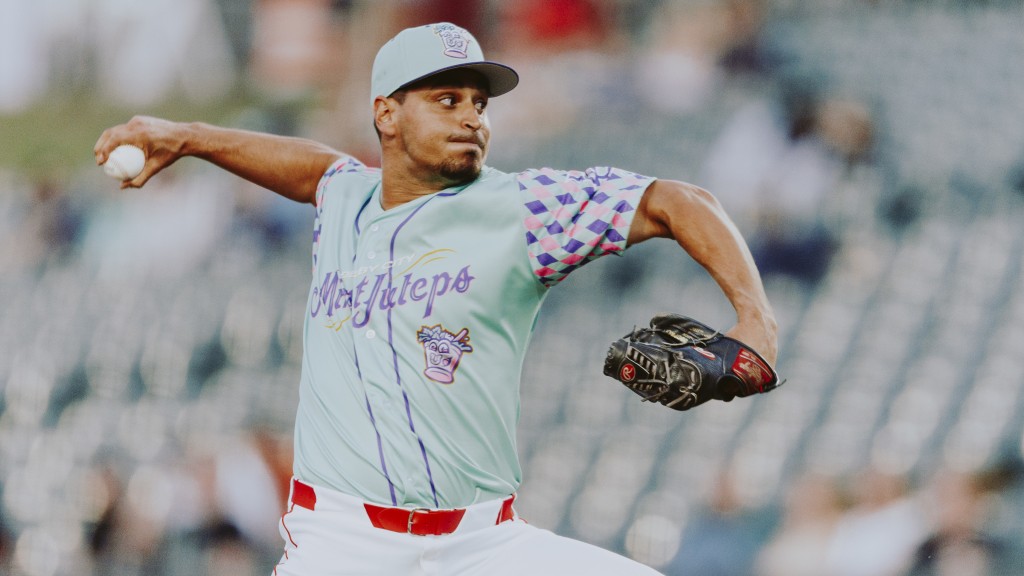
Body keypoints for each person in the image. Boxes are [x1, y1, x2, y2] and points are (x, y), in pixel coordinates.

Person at [94, 22, 778, 576]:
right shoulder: (345, 198)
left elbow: (681, 202)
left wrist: (755, 321)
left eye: (478, 102)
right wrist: (186, 138)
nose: (472, 118)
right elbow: (310, 167)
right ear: (386, 115)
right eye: (445, 100)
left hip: (484, 544)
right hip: (340, 548)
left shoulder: (520, 207)